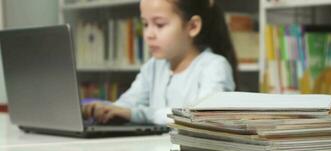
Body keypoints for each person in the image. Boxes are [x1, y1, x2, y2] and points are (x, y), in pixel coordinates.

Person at [82, 0, 238, 125]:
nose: (149, 34)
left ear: (192, 26)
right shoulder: (154, 66)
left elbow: (200, 118)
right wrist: (107, 109)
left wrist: (138, 114)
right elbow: (128, 103)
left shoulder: (214, 67)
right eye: (145, 24)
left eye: (160, 24)